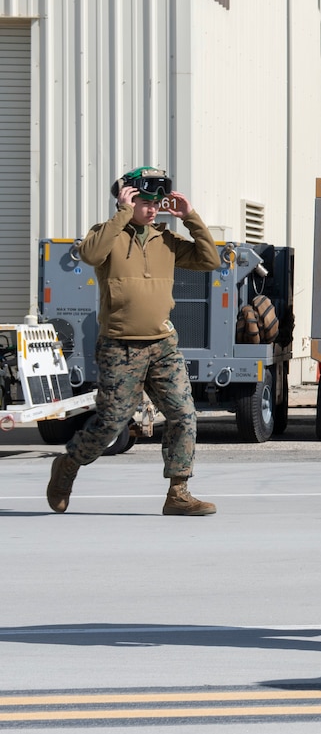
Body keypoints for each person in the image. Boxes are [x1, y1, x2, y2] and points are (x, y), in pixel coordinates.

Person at [46, 167, 220, 517]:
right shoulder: (107, 235)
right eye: (144, 202)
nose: (153, 209)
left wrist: (190, 217)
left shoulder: (166, 240)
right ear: (128, 199)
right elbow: (90, 255)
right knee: (111, 423)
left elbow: (210, 260)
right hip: (120, 346)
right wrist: (121, 214)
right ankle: (67, 465)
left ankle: (178, 492)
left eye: (157, 203)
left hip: (162, 344)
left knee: (184, 416)